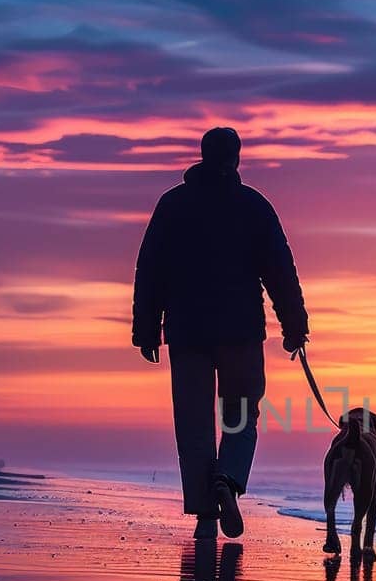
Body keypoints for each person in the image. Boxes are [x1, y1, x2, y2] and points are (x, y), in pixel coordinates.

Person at [132, 127, 309, 539]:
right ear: (237, 158)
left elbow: (150, 270)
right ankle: (227, 480)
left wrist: (146, 331)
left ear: (202, 155)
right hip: (241, 332)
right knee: (241, 416)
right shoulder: (253, 206)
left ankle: (205, 510)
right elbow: (280, 272)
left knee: (194, 422)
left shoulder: (173, 205)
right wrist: (295, 327)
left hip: (187, 331)